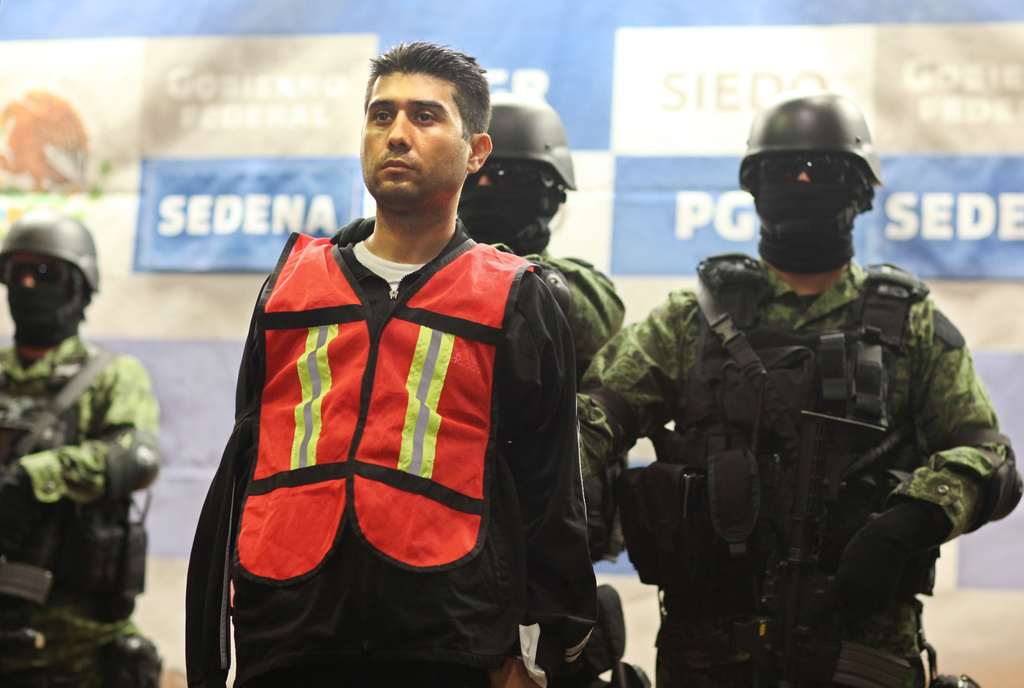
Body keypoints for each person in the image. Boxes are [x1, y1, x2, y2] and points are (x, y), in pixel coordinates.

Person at [577, 90, 1022, 688]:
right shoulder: (690, 321)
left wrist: (910, 522)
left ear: (861, 192)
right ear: (755, 187)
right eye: (785, 171)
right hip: (708, 651)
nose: (805, 182)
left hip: (864, 640)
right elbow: (594, 419)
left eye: (825, 171)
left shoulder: (908, 322)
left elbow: (991, 459)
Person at [185, 41, 596, 688]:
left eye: (425, 117)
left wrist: (548, 652)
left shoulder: (518, 297)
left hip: (449, 648)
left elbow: (549, 495)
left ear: (477, 151)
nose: (397, 134)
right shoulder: (290, 288)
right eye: (381, 116)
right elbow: (245, 470)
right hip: (288, 642)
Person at [457, 94, 644, 688]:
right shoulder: (405, 287)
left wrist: (470, 267)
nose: (492, 187)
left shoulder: (576, 290)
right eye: (481, 174)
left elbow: (576, 311)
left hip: (543, 575)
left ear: (553, 195)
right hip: (437, 564)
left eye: (512, 177)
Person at [0, 210, 162, 687]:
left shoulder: (112, 375)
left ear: (79, 286)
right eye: (17, 273)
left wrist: (36, 479)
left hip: (80, 646)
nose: (28, 284)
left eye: (45, 273)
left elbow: (136, 457)